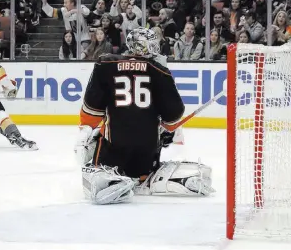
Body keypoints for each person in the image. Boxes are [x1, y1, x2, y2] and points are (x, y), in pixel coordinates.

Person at [74, 27, 215, 205]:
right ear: (142, 46)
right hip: (146, 153)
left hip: (113, 150)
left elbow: (91, 110)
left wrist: (86, 130)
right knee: (154, 141)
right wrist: (167, 130)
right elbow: (174, 114)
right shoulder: (159, 70)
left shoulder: (105, 64)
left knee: (95, 137)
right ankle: (147, 178)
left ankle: (105, 176)